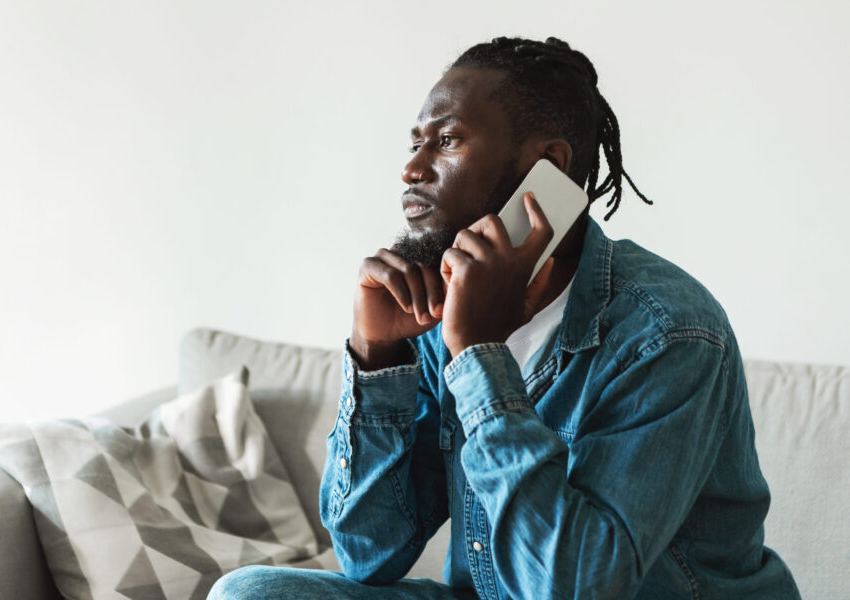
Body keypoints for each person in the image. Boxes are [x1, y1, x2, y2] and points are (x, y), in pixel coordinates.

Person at [209, 36, 800, 600]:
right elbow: (369, 553)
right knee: (250, 593)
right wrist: (377, 355)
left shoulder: (668, 331)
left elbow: (578, 588)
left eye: (447, 141)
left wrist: (477, 357)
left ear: (546, 167)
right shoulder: (438, 312)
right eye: (414, 141)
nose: (412, 168)